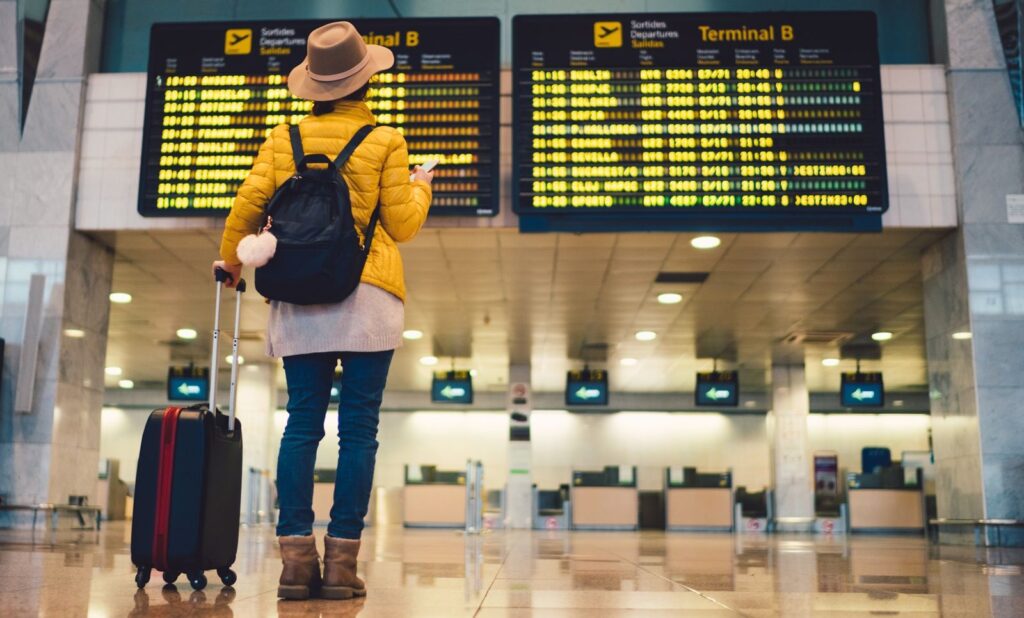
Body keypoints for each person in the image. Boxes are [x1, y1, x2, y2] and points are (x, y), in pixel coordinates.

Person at [213, 21, 433, 601]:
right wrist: (422, 185)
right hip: (368, 295)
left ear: (312, 86)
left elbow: (249, 202)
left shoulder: (282, 138)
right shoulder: (386, 140)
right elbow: (403, 224)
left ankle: (294, 564)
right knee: (359, 429)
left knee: (302, 424)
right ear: (366, 81)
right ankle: (341, 565)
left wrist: (231, 263)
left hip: (299, 293)